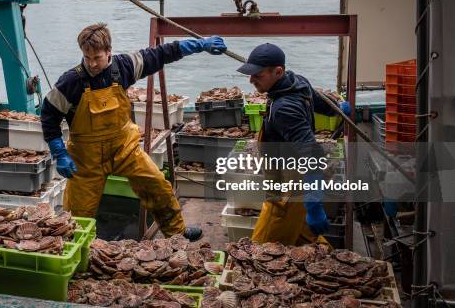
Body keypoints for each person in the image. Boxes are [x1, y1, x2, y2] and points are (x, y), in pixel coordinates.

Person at [41, 23, 227, 240]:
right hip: (86, 156)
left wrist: (198, 45)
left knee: (157, 185)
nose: (91, 63)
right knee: (77, 214)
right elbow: (48, 116)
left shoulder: (124, 66)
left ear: (109, 51)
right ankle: (79, 253)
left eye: (97, 58)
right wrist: (59, 153)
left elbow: (160, 54)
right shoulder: (69, 82)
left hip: (124, 147)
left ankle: (176, 232)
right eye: (86, 57)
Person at [236, 43, 350, 246]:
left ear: (278, 71)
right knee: (306, 240)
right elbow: (319, 101)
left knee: (258, 252)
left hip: (287, 193)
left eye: (257, 75)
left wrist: (314, 203)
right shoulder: (297, 81)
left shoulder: (284, 108)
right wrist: (338, 108)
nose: (251, 80)